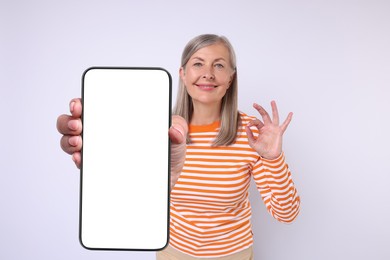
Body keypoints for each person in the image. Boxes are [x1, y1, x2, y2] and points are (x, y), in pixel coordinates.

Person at [57, 34, 300, 259]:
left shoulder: (253, 134)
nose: (208, 73)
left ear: (230, 78)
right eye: (198, 64)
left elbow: (286, 214)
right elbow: (134, 195)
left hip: (233, 254)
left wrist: (273, 158)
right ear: (183, 74)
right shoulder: (160, 130)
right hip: (172, 252)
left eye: (218, 65)